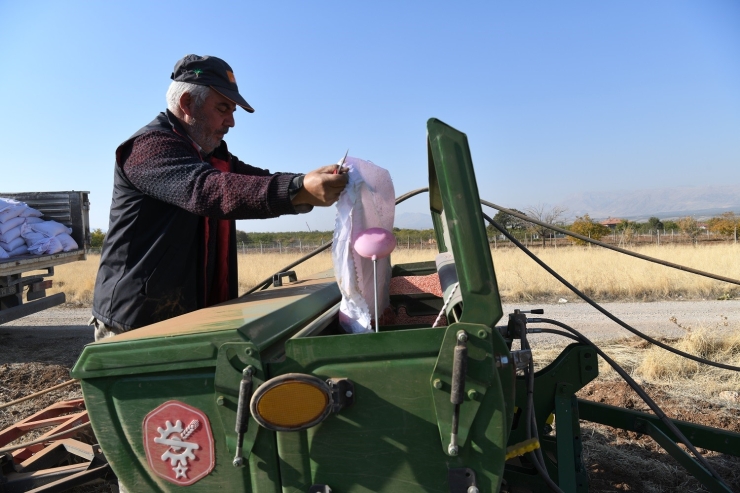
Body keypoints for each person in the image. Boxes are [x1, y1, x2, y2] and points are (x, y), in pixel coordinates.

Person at [90, 54, 348, 340]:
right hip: (138, 323)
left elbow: (254, 181)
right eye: (224, 108)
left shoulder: (212, 155)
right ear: (187, 104)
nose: (231, 122)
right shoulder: (148, 147)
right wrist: (298, 189)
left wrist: (306, 182)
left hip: (193, 317)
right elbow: (207, 190)